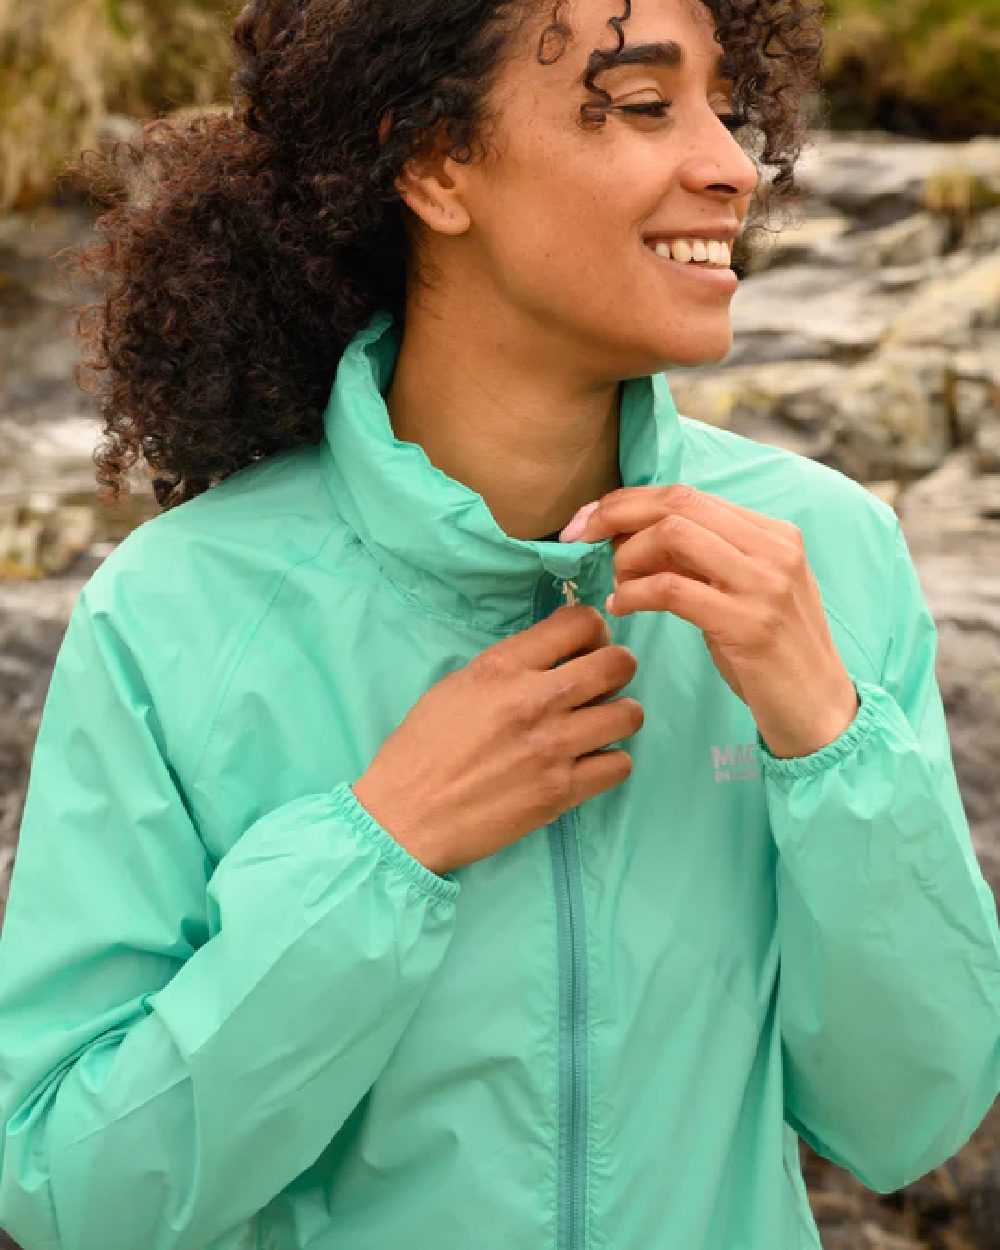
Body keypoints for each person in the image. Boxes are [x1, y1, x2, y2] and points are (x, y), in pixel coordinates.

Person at [0, 0, 997, 1247]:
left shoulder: (824, 559)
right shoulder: (169, 614)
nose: (734, 166)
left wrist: (829, 736)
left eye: (724, 111)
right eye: (643, 105)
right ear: (432, 163)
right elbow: (65, 1186)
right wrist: (383, 848)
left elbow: (906, 1118)